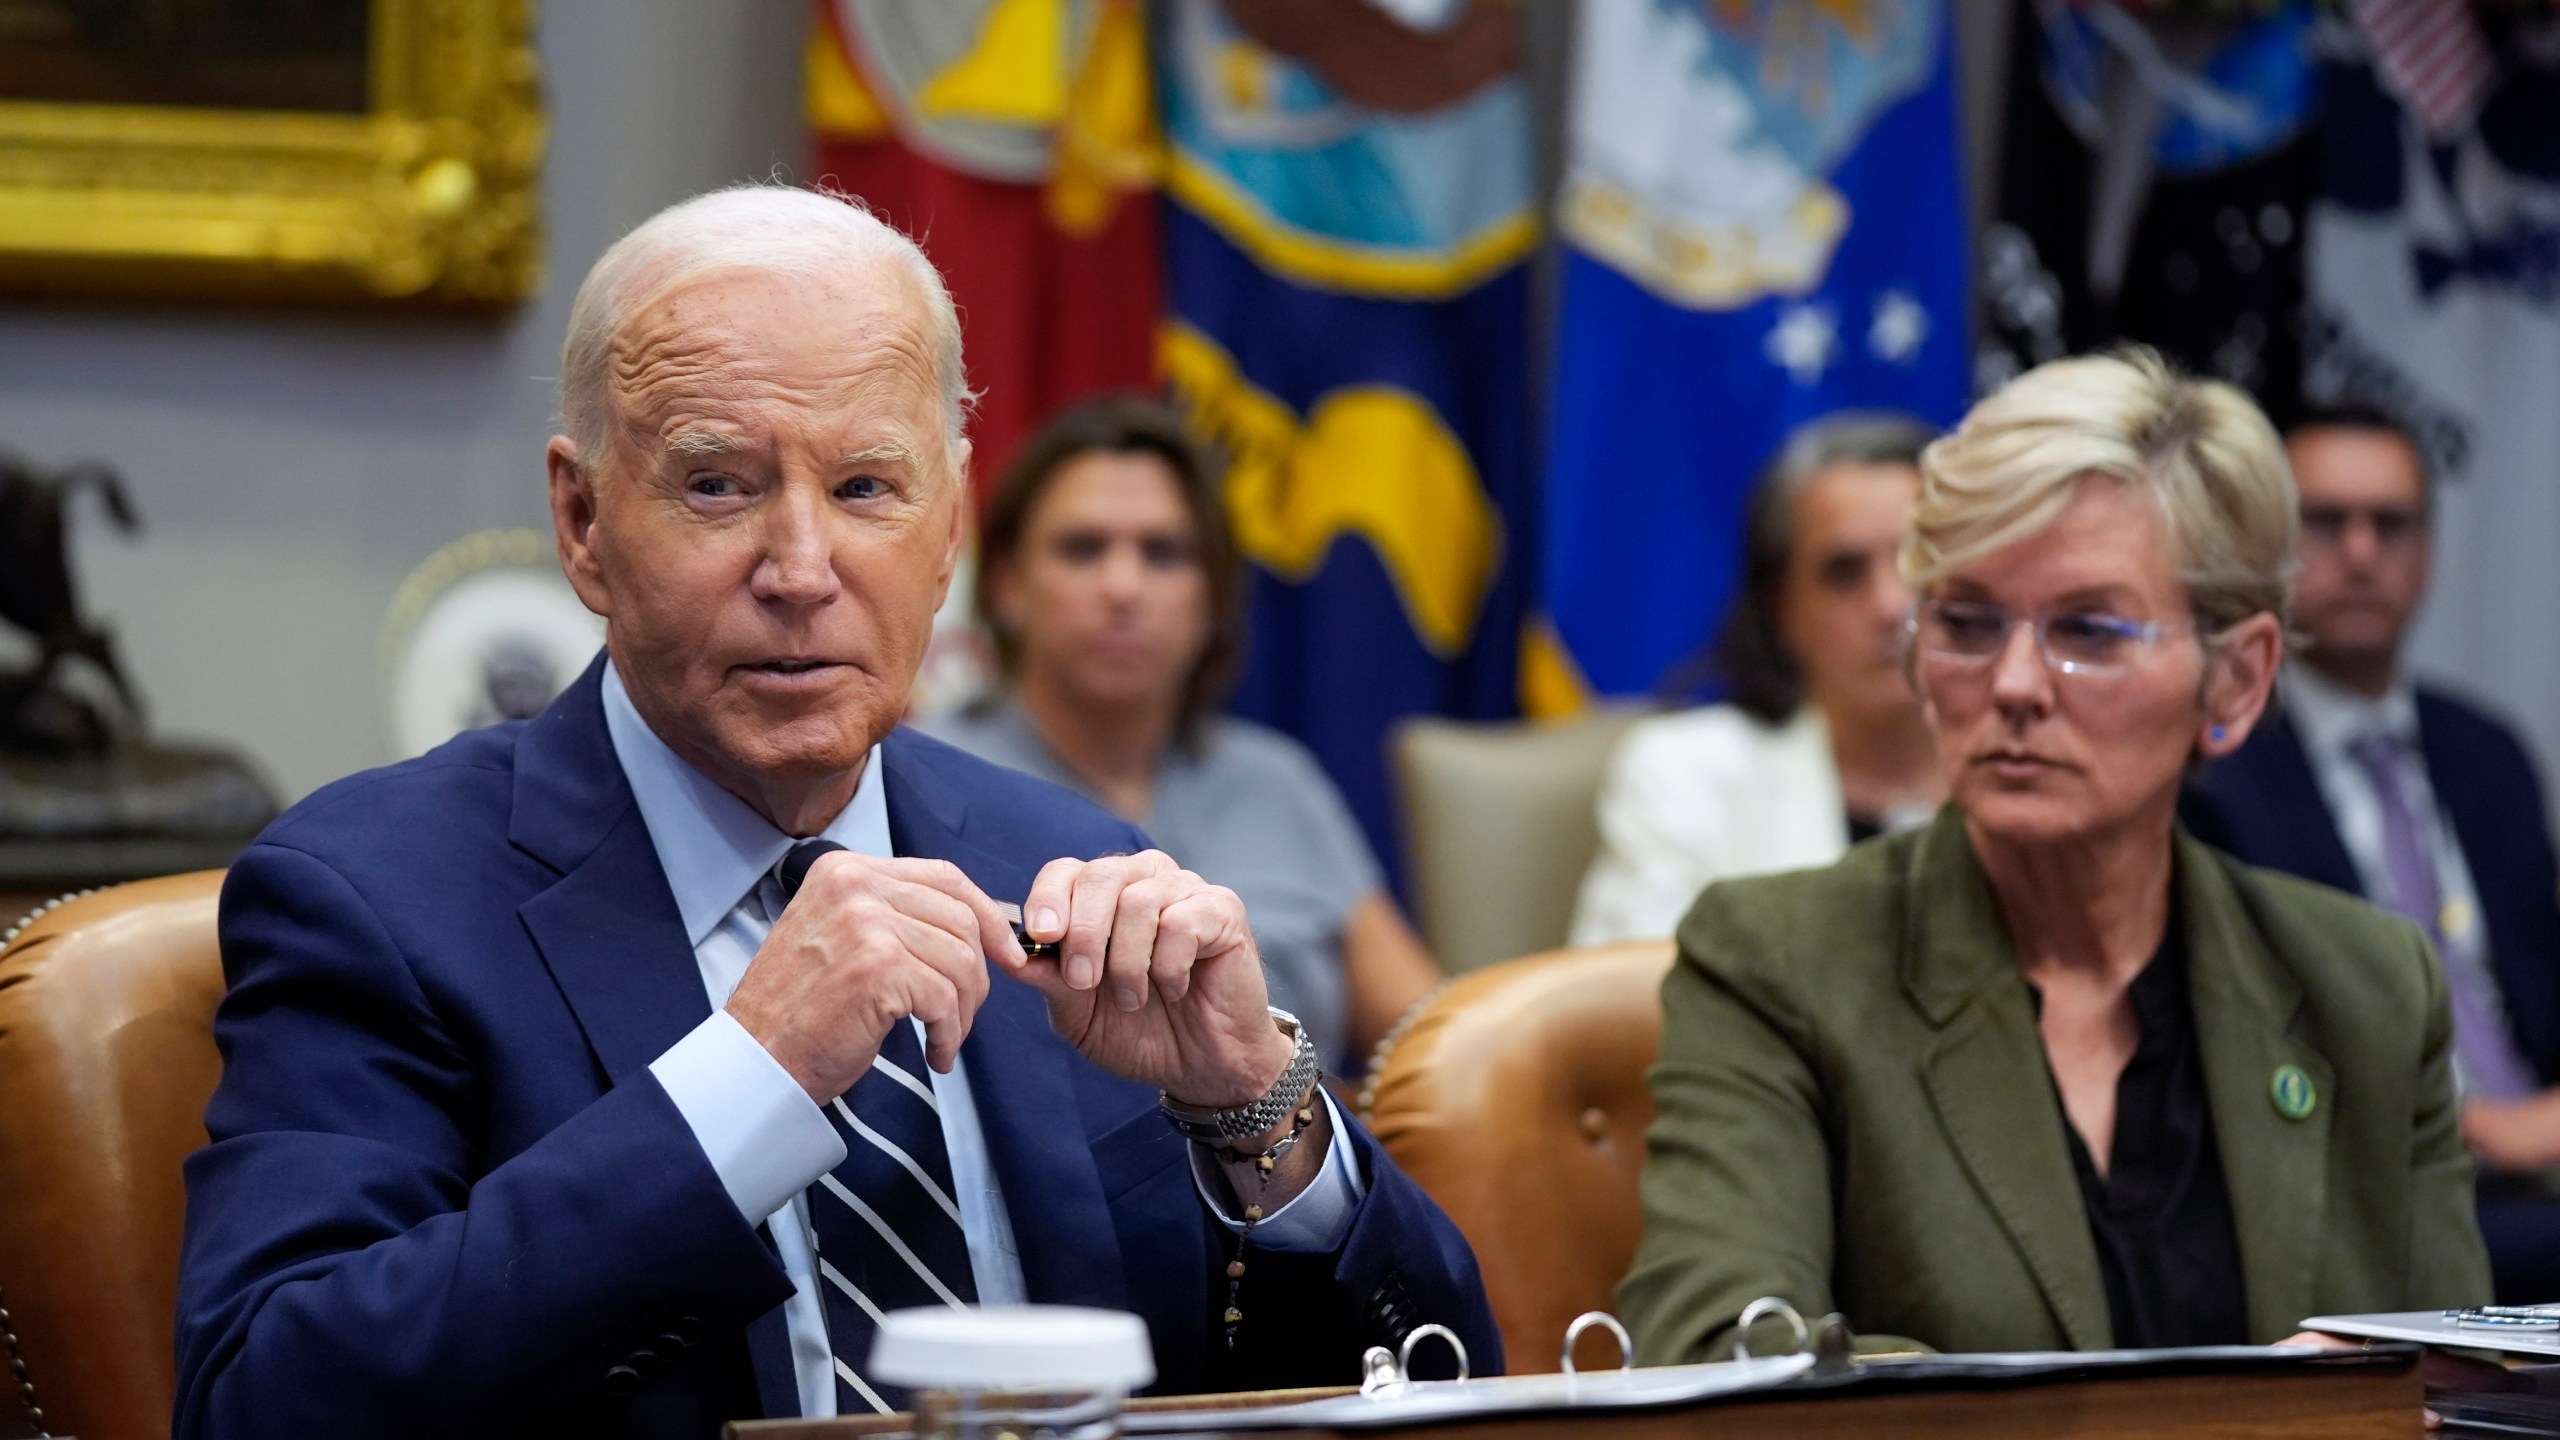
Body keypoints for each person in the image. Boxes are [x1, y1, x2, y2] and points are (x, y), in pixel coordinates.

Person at [172, 187, 1497, 1440]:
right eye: (717, 485)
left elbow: (1447, 1385)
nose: (801, 572)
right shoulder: (375, 894)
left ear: (950, 526)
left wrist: (1258, 1119)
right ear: (582, 522)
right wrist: (746, 1083)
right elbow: (265, 1398)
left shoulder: (1075, 865)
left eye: (866, 488)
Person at [1620, 350, 2490, 1363]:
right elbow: (1717, 1354)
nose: (2016, 682)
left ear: (2237, 681)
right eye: (1965, 622)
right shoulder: (1776, 960)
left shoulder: (2367, 986)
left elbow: (2458, 1386)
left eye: (2087, 629)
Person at [924, 397, 1440, 1073]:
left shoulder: (1275, 779)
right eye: (1083, 549)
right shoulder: (924, 778)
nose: (1123, 587)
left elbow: (1433, 1041)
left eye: (1163, 553)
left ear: (1212, 597)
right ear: (1009, 587)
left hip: (1291, 1163)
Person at [2182, 404, 2560, 1303]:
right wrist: (2485, 1129)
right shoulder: (2211, 767)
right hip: (2374, 1182)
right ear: (2264, 549)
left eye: (2390, 524)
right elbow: (2251, 1057)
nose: (2360, 552)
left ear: (2427, 551)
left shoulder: (2486, 752)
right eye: (2325, 521)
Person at [1570, 415, 1946, 945]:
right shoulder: (1685, 776)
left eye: (1916, 562)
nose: (1890, 605)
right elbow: (1619, 1006)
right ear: (1783, 611)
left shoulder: (2028, 771)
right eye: (1844, 571)